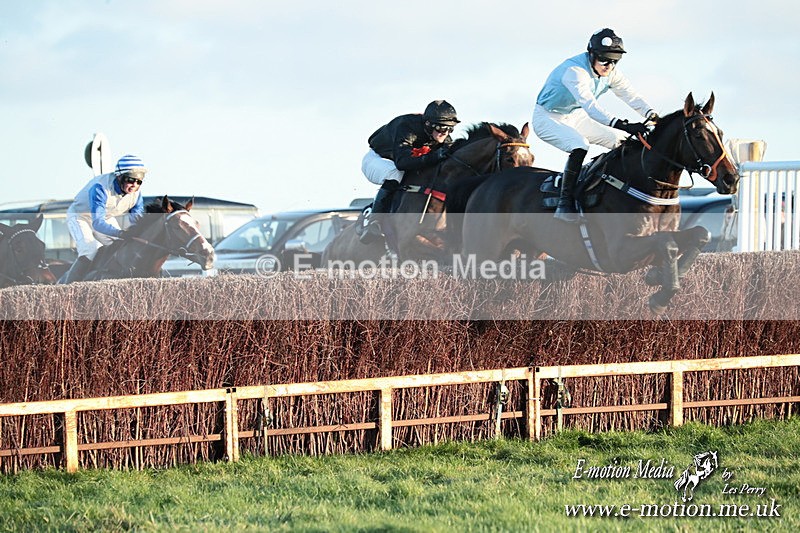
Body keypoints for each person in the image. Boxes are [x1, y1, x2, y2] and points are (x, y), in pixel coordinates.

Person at [533, 28, 659, 222]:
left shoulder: (612, 73)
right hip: (547, 118)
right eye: (605, 60)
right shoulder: (575, 72)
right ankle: (564, 204)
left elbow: (631, 96)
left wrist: (653, 116)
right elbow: (592, 108)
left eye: (615, 61)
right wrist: (624, 124)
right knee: (579, 144)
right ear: (591, 54)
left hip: (575, 116)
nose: (609, 65)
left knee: (622, 142)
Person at [359, 100, 459, 243]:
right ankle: (374, 222)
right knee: (395, 174)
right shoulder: (407, 127)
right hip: (377, 160)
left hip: (398, 163)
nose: (445, 133)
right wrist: (435, 156)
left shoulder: (442, 136)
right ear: (429, 124)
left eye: (450, 129)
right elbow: (402, 163)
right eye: (442, 128)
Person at [59, 154, 147, 283]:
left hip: (105, 216)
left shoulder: (136, 194)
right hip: (79, 216)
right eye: (130, 180)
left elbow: (137, 220)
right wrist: (120, 232)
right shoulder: (100, 187)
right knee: (90, 250)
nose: (134, 185)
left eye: (139, 181)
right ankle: (66, 289)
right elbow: (98, 223)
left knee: (122, 245)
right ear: (119, 177)